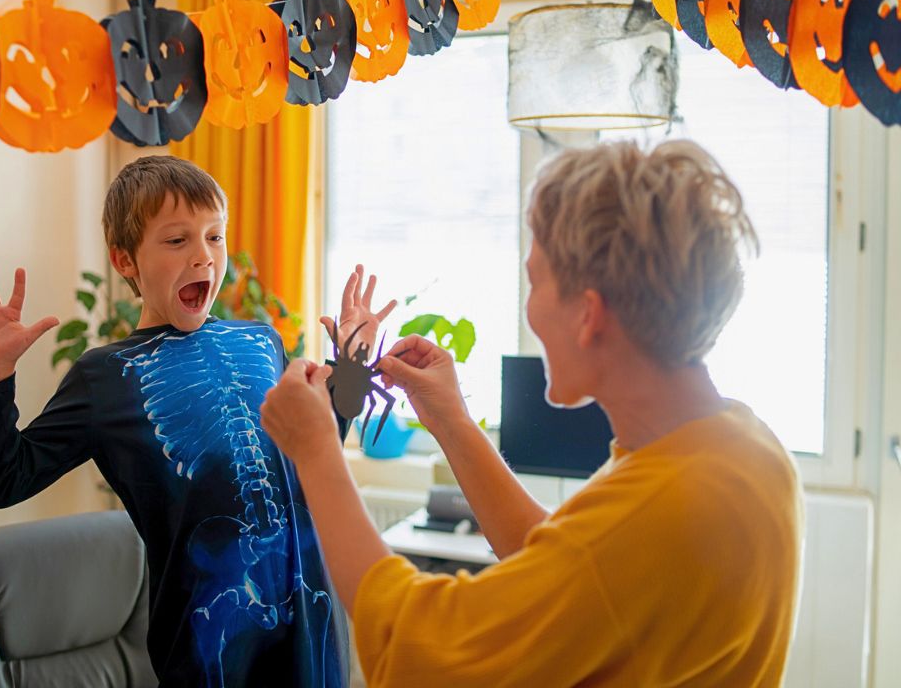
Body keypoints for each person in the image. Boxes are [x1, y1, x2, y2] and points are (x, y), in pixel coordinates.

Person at [261, 139, 802, 687]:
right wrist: (452, 422)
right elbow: (562, 561)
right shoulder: (742, 444)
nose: (529, 306)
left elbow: (423, 647)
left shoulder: (665, 509)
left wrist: (316, 451)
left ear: (589, 314)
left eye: (535, 280)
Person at [0, 155, 392, 687]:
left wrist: (353, 364)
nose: (204, 257)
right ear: (125, 260)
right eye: (177, 241)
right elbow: (5, 480)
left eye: (214, 237)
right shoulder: (102, 376)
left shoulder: (262, 341)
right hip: (207, 650)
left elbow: (315, 453)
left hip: (314, 638)